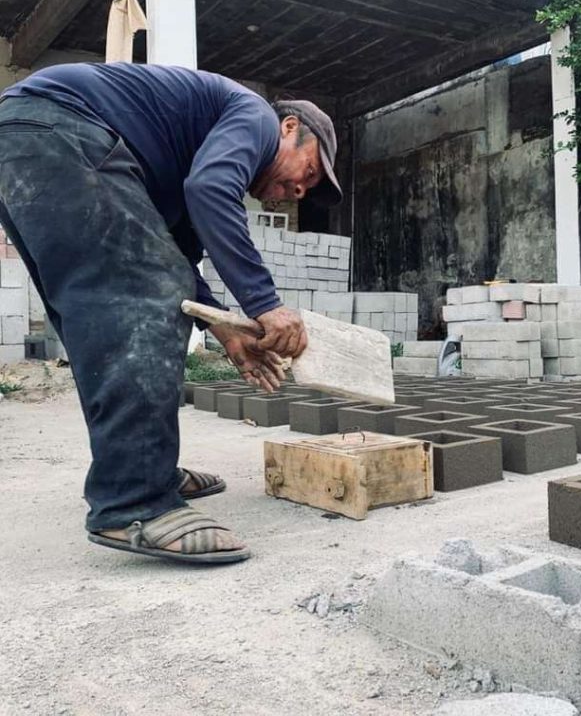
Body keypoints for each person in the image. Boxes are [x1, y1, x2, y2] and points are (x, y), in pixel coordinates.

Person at [0, 62, 342, 565]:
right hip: (62, 131)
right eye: (308, 172)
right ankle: (134, 502)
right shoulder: (256, 117)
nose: (298, 192)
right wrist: (265, 305)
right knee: (137, 302)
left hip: (31, 138)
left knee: (111, 312)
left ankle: (143, 470)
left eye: (306, 191)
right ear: (290, 128)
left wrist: (227, 331)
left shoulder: (183, 165)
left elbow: (179, 270)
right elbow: (209, 193)